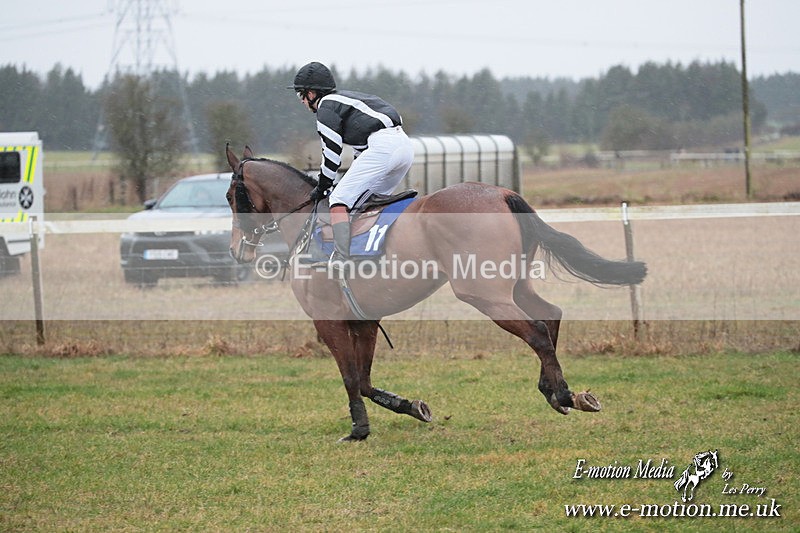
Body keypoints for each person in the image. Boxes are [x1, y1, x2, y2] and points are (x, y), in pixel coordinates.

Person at [288, 61, 414, 267]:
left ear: (311, 94)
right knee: (365, 201)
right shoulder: (345, 99)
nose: (301, 101)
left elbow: (331, 154)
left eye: (300, 95)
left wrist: (323, 186)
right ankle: (371, 251)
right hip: (405, 146)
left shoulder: (325, 108)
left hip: (383, 147)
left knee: (338, 199)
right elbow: (359, 154)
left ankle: (341, 258)